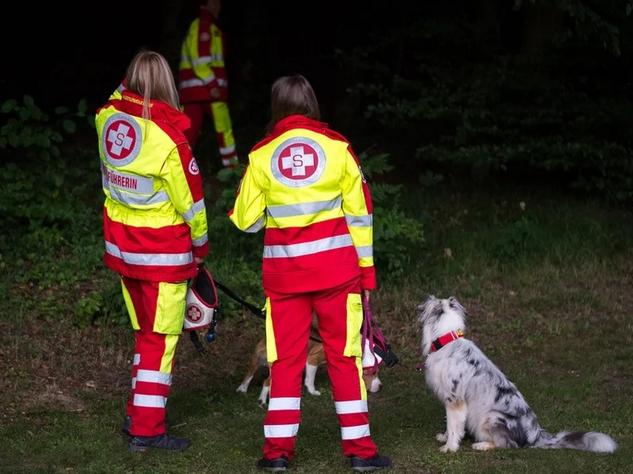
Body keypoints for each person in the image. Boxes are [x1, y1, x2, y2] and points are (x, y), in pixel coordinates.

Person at [228, 74, 392, 472]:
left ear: (277, 108)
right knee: (345, 359)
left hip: (285, 279)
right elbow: (361, 217)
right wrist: (366, 277)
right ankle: (360, 453)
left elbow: (244, 221)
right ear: (313, 105)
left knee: (285, 361)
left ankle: (277, 455)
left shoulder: (262, 155)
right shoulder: (339, 149)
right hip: (338, 275)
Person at [96, 50, 209, 452]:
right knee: (160, 341)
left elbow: (116, 96)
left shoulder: (106, 118)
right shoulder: (170, 140)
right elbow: (192, 206)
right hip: (162, 257)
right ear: (166, 85)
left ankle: (136, 414)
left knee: (145, 335)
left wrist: (129, 86)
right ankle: (146, 430)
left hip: (122, 252)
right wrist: (200, 249)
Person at [178, 0, 238, 168]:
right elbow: (201, 61)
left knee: (185, 136)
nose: (219, 6)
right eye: (216, 3)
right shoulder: (204, 26)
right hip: (209, 92)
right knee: (224, 131)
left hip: (193, 93)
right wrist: (212, 85)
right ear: (206, 4)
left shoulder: (204, 26)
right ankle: (233, 172)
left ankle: (177, 171)